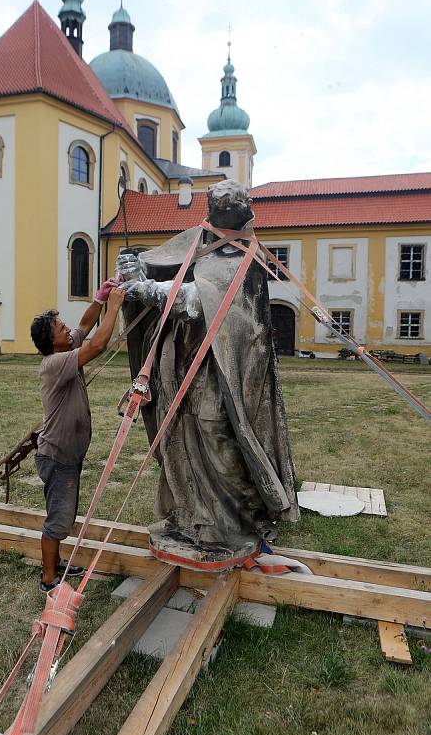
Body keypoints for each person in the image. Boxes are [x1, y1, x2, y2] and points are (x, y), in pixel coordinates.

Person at [116, 180, 298, 567]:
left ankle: (235, 520)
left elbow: (194, 300)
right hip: (181, 363)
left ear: (242, 213)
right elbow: (162, 263)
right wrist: (134, 268)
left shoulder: (244, 259)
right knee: (179, 438)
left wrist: (144, 286)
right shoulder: (195, 240)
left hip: (222, 372)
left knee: (218, 438)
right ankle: (190, 519)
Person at [30, 284, 125, 591]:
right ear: (51, 341)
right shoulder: (55, 363)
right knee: (58, 520)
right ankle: (48, 579)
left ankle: (55, 564)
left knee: (63, 514)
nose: (68, 328)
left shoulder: (67, 348)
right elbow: (97, 345)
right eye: (60, 328)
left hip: (64, 456)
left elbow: (86, 326)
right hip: (58, 458)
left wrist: (99, 300)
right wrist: (114, 307)